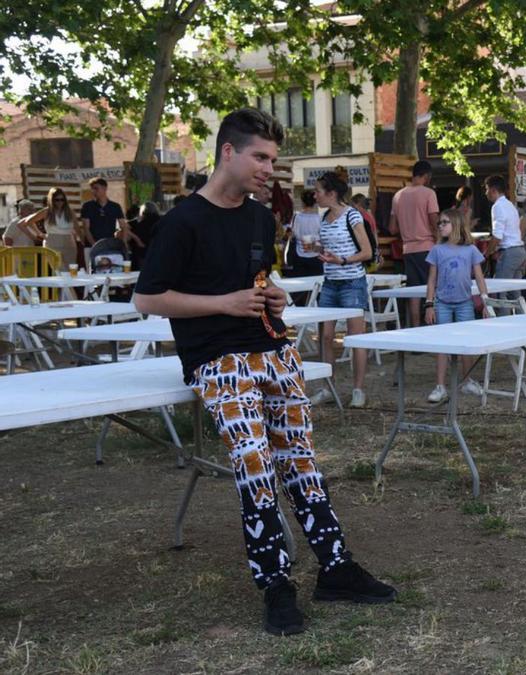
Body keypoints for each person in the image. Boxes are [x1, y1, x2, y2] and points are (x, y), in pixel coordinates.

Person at [132, 108, 395, 638]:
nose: (268, 169)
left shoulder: (257, 217)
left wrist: (273, 295)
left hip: (272, 349)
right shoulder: (183, 220)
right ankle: (275, 584)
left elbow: (256, 277)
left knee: (300, 459)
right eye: (260, 157)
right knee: (255, 463)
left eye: (272, 159)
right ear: (227, 152)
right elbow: (146, 299)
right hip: (217, 360)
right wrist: (223, 303)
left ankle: (336, 569)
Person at [310, 170, 373, 409]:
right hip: (330, 283)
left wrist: (343, 260)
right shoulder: (324, 217)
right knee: (325, 337)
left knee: (355, 338)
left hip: (352, 283)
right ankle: (328, 387)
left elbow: (366, 252)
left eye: (317, 191)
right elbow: (328, 249)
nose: (314, 195)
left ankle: (358, 390)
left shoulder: (352, 216)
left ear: (332, 193)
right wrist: (318, 250)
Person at [424, 210, 489, 403]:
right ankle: (440, 385)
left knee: (466, 343)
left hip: (464, 303)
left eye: (445, 222)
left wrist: (486, 302)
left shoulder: (470, 250)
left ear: (456, 225)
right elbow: (431, 280)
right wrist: (429, 304)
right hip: (442, 303)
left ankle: (467, 380)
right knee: (442, 344)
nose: (440, 225)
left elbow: (479, 277)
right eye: (439, 223)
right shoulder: (437, 250)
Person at [390, 160, 439, 326]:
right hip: (428, 248)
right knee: (431, 288)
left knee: (413, 291)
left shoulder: (398, 196)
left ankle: (415, 329)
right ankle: (431, 328)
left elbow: (392, 228)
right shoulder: (428, 193)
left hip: (407, 250)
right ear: (427, 176)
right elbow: (434, 222)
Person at [485, 174, 526, 303]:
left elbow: (498, 235)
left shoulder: (497, 206)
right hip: (519, 251)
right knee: (514, 293)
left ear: (493, 190)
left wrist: (488, 252)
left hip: (509, 252)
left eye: (486, 189)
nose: (486, 193)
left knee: (499, 292)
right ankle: (521, 319)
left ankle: (502, 319)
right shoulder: (510, 205)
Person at [283, 190, 324, 279]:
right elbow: (322, 237)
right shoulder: (320, 218)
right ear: (315, 202)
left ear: (302, 202)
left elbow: (292, 234)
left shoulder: (296, 217)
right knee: (316, 284)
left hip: (299, 255)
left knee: (301, 285)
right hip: (316, 255)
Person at [80, 177, 127, 248]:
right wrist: (94, 245)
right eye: (92, 189)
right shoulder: (87, 206)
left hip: (109, 245)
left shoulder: (115, 206)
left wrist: (123, 242)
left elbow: (123, 226)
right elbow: (86, 228)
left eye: (96, 188)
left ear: (104, 188)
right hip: (91, 246)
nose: (93, 191)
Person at [41, 188, 82, 269]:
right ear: (52, 200)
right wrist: (39, 234)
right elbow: (26, 222)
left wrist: (82, 241)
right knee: (59, 269)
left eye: (62, 199)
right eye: (57, 200)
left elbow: (77, 228)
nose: (60, 202)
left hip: (69, 241)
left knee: (72, 268)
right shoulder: (47, 211)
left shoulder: (70, 212)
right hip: (53, 241)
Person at [127, 202, 161, 270]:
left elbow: (123, 230)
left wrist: (133, 236)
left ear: (142, 212)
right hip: (159, 256)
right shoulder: (162, 221)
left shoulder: (138, 224)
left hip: (142, 257)